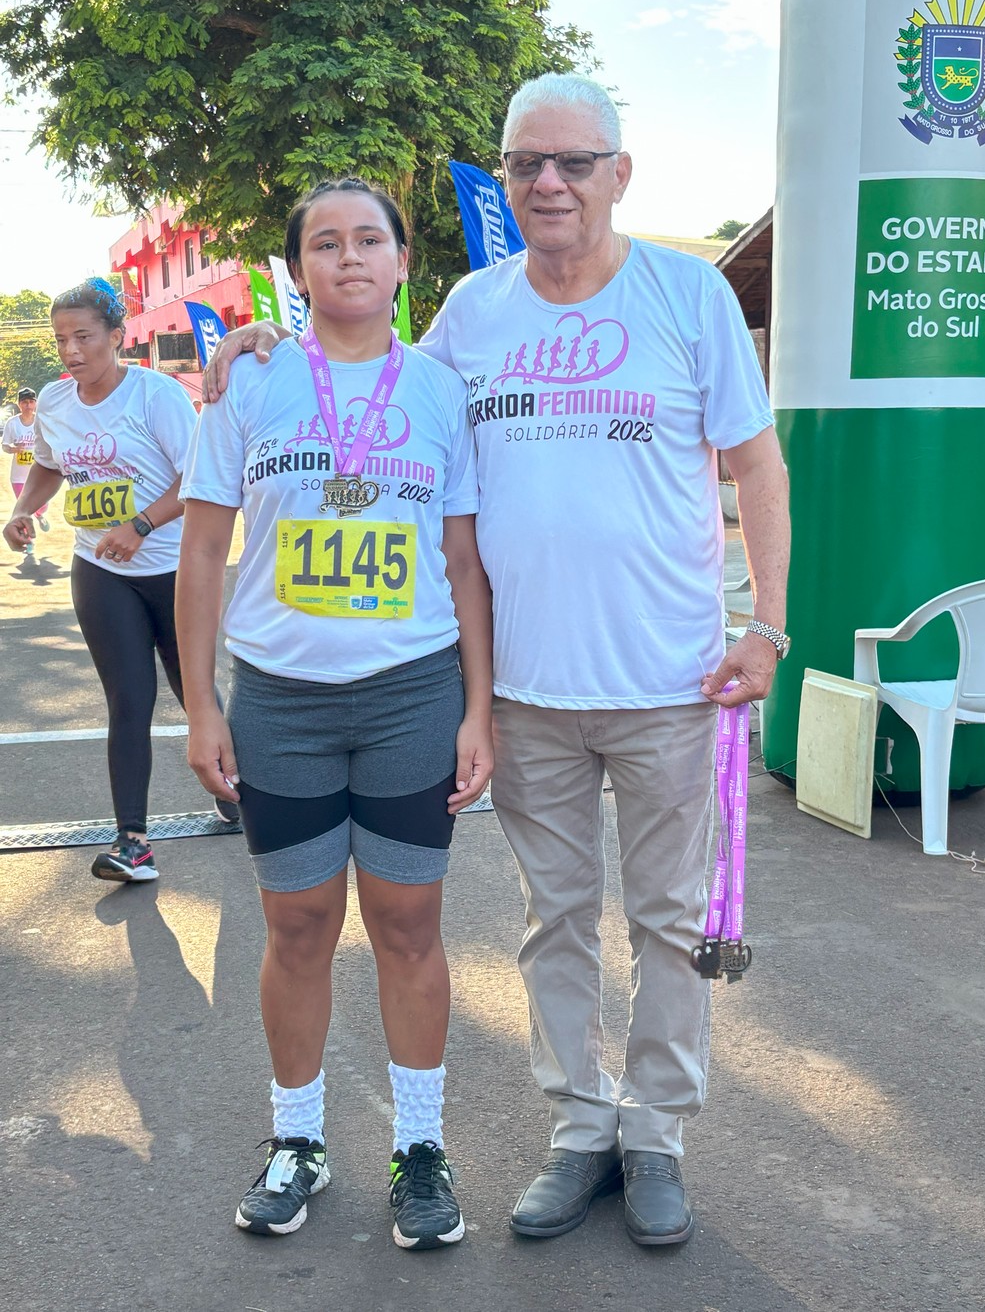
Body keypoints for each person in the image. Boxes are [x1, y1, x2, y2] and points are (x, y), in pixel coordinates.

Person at [205, 75, 790, 1247]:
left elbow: (758, 468)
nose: (551, 184)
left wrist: (767, 623)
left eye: (575, 162)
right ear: (506, 179)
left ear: (620, 173)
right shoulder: (470, 312)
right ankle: (581, 1133)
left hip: (674, 680)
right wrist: (264, 344)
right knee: (554, 923)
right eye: (528, 164)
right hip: (523, 690)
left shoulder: (689, 296)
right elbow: (370, 386)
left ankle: (657, 1137)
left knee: (670, 923)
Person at [176, 178, 493, 1249]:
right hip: (280, 703)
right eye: (325, 243)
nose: (349, 257)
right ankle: (298, 1140)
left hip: (411, 693)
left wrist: (477, 710)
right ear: (297, 268)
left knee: (409, 926)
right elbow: (206, 550)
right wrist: (203, 706)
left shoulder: (439, 391)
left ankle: (419, 1149)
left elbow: (463, 559)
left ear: (404, 263)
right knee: (297, 925)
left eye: (370, 240)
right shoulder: (251, 384)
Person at [1, 279, 236, 882]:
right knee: (127, 699)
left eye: (83, 336)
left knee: (195, 692)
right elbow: (50, 467)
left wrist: (139, 524)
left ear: (116, 335)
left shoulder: (154, 395)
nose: (71, 350)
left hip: (173, 570)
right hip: (100, 568)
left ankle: (239, 795)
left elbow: (197, 479)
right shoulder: (54, 402)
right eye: (61, 339)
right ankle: (133, 842)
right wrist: (24, 510)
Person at [2, 386, 51, 550]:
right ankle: (28, 540)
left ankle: (40, 515)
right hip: (18, 476)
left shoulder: (41, 421)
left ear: (36, 403)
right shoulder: (12, 423)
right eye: (24, 402)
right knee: (24, 510)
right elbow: (5, 445)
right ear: (19, 404)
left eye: (31, 402)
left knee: (41, 505)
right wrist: (13, 449)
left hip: (39, 473)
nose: (28, 405)